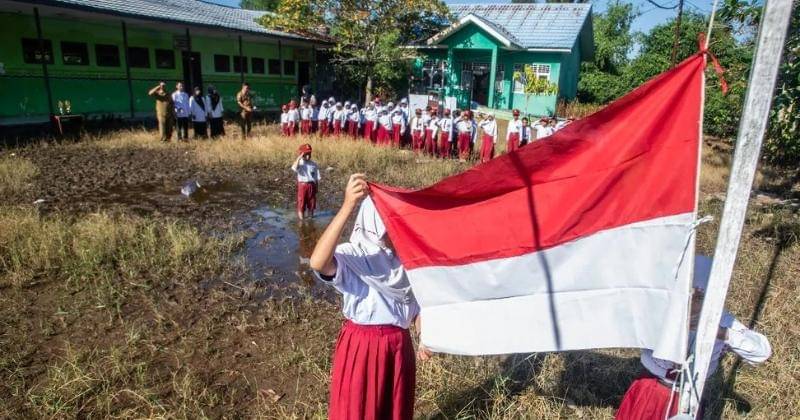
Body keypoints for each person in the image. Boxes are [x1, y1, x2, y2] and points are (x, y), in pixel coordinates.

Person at [309, 174, 430, 420]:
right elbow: (318, 262)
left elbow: (415, 305)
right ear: (374, 221)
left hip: (399, 346)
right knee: (359, 409)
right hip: (364, 347)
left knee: (393, 410)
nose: (397, 230)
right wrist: (347, 206)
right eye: (390, 223)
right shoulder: (354, 255)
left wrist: (424, 337)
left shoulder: (407, 259)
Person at [615, 255, 772, 420]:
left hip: (688, 400)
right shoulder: (660, 308)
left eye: (700, 297)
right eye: (689, 294)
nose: (693, 302)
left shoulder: (720, 319)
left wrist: (721, 333)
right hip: (650, 392)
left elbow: (761, 352)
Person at [291, 143, 320, 220]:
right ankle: (302, 221)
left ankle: (311, 219)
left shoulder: (314, 164)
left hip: (311, 185)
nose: (308, 156)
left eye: (309, 154)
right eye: (306, 154)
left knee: (311, 203)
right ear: (302, 154)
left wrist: (316, 187)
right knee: (301, 203)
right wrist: (299, 158)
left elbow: (316, 177)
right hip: (302, 185)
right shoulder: (300, 163)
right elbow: (294, 168)